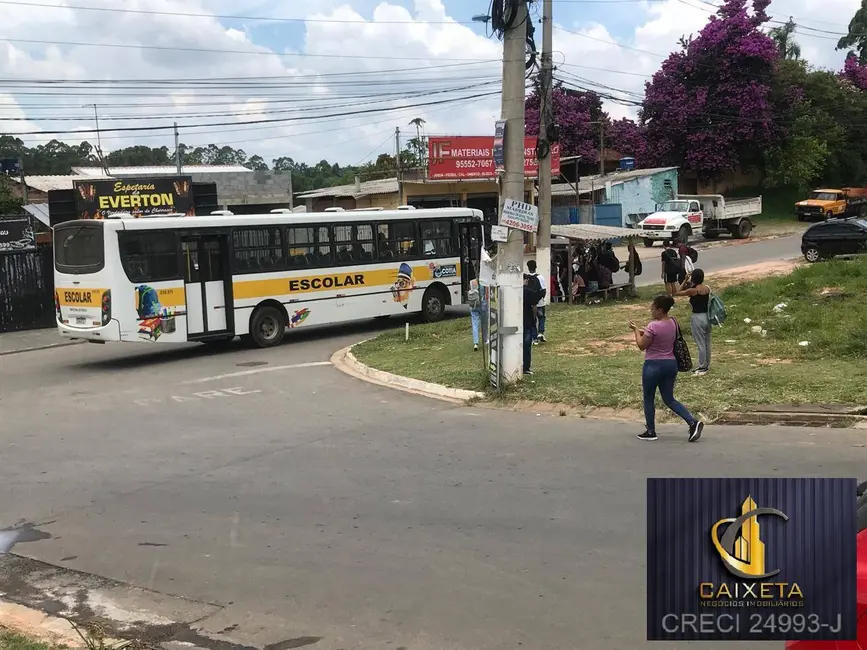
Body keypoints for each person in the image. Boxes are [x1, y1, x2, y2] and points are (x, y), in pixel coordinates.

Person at [628, 295, 704, 442]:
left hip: (653, 365)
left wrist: (636, 331)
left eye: (653, 308)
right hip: (670, 364)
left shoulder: (653, 326)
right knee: (669, 398)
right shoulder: (673, 322)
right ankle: (692, 422)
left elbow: (641, 345)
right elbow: (659, 337)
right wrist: (642, 331)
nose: (651, 311)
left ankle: (651, 431)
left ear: (660, 310)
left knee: (649, 398)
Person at [675, 268, 711, 376]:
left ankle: (701, 366)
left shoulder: (693, 290)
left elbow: (676, 292)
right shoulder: (707, 288)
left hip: (697, 317)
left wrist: (685, 280)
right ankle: (706, 364)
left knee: (700, 343)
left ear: (693, 278)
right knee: (707, 342)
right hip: (707, 316)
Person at [526, 260, 547, 343]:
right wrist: (540, 298)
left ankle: (534, 338)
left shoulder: (526, 278)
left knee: (532, 319)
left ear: (528, 267)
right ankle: (541, 333)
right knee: (541, 317)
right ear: (536, 267)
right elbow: (543, 290)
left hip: (529, 303)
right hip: (539, 302)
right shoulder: (540, 277)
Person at [523, 274, 537, 375]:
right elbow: (534, 307)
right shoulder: (529, 292)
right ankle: (526, 367)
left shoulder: (513, 292)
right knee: (526, 345)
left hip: (516, 322)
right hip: (527, 321)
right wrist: (534, 320)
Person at [467, 278, 482, 352]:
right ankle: (486, 339)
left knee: (475, 325)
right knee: (484, 323)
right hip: (480, 307)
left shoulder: (469, 292)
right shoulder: (479, 289)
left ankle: (475, 343)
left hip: (473, 309)